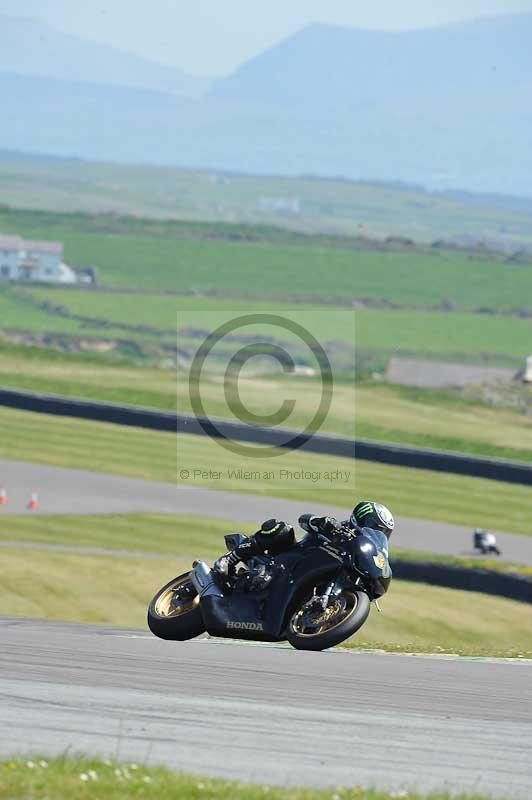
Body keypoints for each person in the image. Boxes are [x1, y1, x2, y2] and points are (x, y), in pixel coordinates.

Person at [213, 500, 394, 582]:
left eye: (383, 532)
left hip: (313, 575)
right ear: (362, 518)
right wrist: (322, 522)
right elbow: (304, 519)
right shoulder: (336, 527)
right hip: (290, 559)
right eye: (375, 527)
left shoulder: (360, 550)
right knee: (283, 529)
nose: (378, 533)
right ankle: (230, 558)